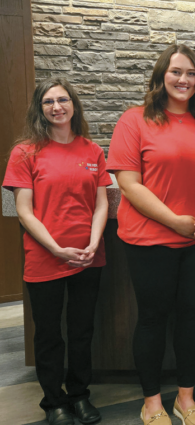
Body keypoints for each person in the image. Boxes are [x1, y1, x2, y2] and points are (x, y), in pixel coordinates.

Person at [106, 45, 195, 425]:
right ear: (161, 76)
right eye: (176, 72)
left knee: (193, 318)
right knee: (153, 319)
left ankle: (185, 399)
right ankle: (152, 402)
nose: (183, 79)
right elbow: (129, 184)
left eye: (191, 73)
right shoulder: (134, 120)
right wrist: (173, 221)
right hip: (150, 239)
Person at [3, 78, 111, 425]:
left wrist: (93, 242)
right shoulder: (25, 152)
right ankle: (54, 402)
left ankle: (79, 395)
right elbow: (24, 211)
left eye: (63, 100)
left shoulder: (92, 151)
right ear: (40, 109)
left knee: (82, 331)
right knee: (49, 334)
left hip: (88, 257)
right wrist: (56, 248)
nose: (56, 107)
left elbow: (101, 204)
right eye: (48, 102)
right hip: (45, 257)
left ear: (74, 105)